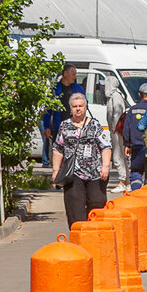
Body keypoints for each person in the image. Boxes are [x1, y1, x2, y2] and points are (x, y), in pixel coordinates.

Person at [52, 92, 112, 227]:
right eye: (75, 106)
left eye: (80, 106)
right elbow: (58, 149)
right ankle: (79, 234)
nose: (78, 109)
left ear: (85, 107)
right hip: (73, 173)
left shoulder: (94, 125)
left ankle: (96, 233)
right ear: (70, 109)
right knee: (75, 208)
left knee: (97, 203)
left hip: (95, 173)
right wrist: (56, 170)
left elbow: (106, 147)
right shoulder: (64, 126)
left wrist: (105, 166)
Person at [41, 63, 85, 167]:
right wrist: (47, 126)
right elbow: (48, 109)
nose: (75, 77)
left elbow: (84, 106)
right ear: (65, 73)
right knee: (59, 155)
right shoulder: (55, 89)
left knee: (75, 155)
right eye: (73, 74)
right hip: (59, 128)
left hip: (76, 128)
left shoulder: (78, 89)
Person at [123, 82, 147, 190]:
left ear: (139, 95)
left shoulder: (133, 110)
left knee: (136, 172)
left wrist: (127, 144)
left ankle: (136, 192)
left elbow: (126, 129)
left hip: (137, 147)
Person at [105, 76, 129, 193]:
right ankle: (126, 181)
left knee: (117, 156)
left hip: (117, 131)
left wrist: (114, 127)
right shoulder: (114, 96)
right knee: (120, 156)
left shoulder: (115, 96)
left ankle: (122, 181)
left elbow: (118, 113)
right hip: (116, 130)